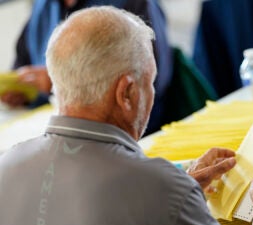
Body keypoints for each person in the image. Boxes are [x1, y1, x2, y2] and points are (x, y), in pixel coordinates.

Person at [0, 7, 253, 225]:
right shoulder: (158, 189)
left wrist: (179, 196)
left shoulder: (7, 165)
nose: (150, 92)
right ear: (127, 93)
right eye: (149, 82)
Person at [0, 0, 172, 134]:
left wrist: (59, 83)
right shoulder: (42, 7)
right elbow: (22, 63)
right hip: (48, 129)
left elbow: (152, 81)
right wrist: (22, 91)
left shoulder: (134, 3)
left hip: (122, 135)